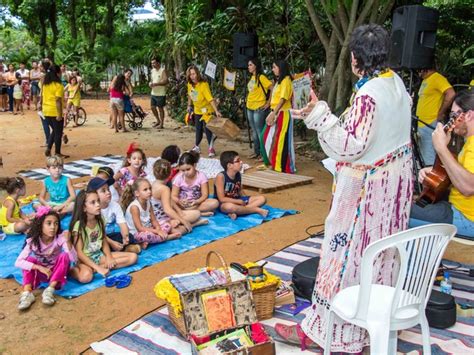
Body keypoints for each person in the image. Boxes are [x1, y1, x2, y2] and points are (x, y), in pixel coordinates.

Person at [275, 24, 413, 353]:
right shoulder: (396, 84)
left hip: (368, 197)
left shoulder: (369, 95)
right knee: (380, 259)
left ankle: (332, 333)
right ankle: (371, 329)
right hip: (393, 192)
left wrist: (319, 113)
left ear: (354, 59)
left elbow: (349, 145)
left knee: (346, 259)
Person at [410, 90, 474, 238]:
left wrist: (441, 148)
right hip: (457, 208)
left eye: (454, 115)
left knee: (399, 213)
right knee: (413, 204)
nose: (450, 119)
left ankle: (418, 260)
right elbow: (462, 175)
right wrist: (435, 173)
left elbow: (468, 187)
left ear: (469, 115)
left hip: (466, 218)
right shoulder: (469, 142)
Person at [69, 190, 137, 283]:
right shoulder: (78, 226)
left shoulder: (100, 220)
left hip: (99, 256)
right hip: (84, 260)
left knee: (133, 257)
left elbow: (103, 240)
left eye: (98, 201)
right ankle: (73, 270)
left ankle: (100, 268)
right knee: (86, 277)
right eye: (93, 202)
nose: (98, 204)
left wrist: (109, 257)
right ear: (84, 207)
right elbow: (79, 253)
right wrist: (97, 267)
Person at [15, 207, 76, 310]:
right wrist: (39, 267)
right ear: (40, 225)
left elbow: (73, 259)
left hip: (57, 274)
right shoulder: (34, 241)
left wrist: (69, 242)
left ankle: (49, 290)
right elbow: (18, 262)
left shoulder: (60, 238)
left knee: (64, 256)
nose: (53, 227)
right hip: (43, 273)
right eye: (48, 223)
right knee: (29, 260)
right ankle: (27, 293)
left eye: (56, 223)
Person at [152, 159, 208, 236]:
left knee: (197, 213)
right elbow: (167, 210)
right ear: (170, 173)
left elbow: (169, 200)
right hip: (162, 220)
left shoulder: (154, 184)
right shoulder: (165, 189)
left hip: (158, 218)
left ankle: (177, 221)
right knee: (181, 229)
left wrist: (179, 211)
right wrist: (183, 221)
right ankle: (194, 225)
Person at [87, 177, 141, 254]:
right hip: (98, 237)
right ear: (94, 195)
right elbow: (98, 233)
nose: (108, 192)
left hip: (110, 236)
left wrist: (125, 237)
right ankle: (119, 250)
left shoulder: (115, 205)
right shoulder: (93, 209)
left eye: (108, 189)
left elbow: (122, 224)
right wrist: (112, 243)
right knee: (97, 245)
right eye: (103, 191)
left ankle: (120, 249)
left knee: (130, 236)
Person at [122, 178, 181, 247]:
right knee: (148, 236)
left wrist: (158, 229)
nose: (149, 191)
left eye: (150, 188)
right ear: (137, 193)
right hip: (136, 233)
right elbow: (140, 228)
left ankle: (153, 240)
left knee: (167, 225)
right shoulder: (134, 207)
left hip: (149, 228)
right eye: (145, 190)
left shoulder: (148, 202)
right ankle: (167, 238)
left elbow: (154, 220)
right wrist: (157, 232)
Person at [416, 67, 455, 165]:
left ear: (426, 68)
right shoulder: (426, 80)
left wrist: (441, 113)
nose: (418, 73)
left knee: (429, 158)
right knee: (424, 155)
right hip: (422, 123)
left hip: (430, 123)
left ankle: (429, 178)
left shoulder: (437, 78)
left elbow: (451, 94)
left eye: (419, 70)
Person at [261, 60, 295, 173]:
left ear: (281, 68)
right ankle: (271, 162)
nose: (273, 69)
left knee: (280, 140)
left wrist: (274, 113)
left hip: (283, 113)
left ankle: (279, 165)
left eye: (274, 67)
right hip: (276, 112)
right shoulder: (279, 81)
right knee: (265, 136)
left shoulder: (286, 80)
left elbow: (283, 99)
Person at [215, 150, 268, 219]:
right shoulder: (221, 177)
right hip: (225, 203)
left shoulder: (238, 174)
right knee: (229, 207)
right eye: (238, 161)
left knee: (262, 199)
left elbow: (239, 190)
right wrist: (238, 201)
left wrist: (245, 199)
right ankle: (255, 210)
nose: (241, 162)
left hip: (237, 200)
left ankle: (239, 212)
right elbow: (221, 199)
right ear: (229, 165)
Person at [186, 65, 223, 157]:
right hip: (197, 110)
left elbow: (210, 99)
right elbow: (190, 95)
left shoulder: (203, 85)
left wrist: (216, 111)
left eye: (194, 74)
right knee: (198, 129)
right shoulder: (190, 84)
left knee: (207, 130)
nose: (192, 76)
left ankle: (211, 148)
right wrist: (189, 105)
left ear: (197, 74)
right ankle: (197, 146)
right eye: (190, 74)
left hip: (207, 111)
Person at [39, 62, 68, 158]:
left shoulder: (45, 85)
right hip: (55, 111)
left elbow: (42, 96)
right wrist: (60, 114)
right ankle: (57, 152)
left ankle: (48, 148)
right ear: (57, 73)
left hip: (46, 111)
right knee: (58, 133)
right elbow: (58, 101)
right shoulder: (58, 86)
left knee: (55, 130)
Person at [246, 58, 273, 160]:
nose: (248, 67)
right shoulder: (252, 77)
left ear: (256, 66)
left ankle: (263, 154)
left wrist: (268, 102)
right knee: (254, 131)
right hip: (250, 107)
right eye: (248, 65)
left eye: (250, 65)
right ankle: (256, 152)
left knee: (259, 131)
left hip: (259, 108)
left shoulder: (261, 77)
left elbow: (272, 87)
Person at [149, 58, 168, 129]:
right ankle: (158, 121)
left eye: (154, 63)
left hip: (161, 93)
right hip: (153, 92)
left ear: (158, 63)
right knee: (152, 107)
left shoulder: (163, 70)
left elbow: (166, 81)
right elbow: (152, 80)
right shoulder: (152, 71)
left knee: (160, 108)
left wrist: (157, 84)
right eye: (152, 63)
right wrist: (150, 83)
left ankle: (162, 124)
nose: (153, 64)